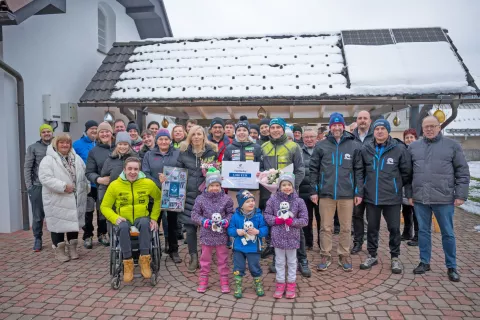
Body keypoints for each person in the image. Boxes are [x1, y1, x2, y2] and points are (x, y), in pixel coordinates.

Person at [407, 116, 469, 282]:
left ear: (439, 127)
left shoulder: (452, 146)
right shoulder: (413, 147)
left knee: (447, 233)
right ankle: (424, 261)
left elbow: (462, 172)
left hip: (444, 198)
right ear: (422, 128)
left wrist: (461, 194)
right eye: (426, 126)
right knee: (424, 232)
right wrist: (409, 194)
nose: (429, 129)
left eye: (432, 126)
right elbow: (407, 174)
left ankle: (451, 266)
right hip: (420, 198)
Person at [310, 113, 363, 272]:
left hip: (347, 195)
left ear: (344, 126)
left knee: (346, 227)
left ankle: (343, 254)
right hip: (326, 194)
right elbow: (313, 170)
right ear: (330, 127)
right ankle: (325, 254)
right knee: (326, 227)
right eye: (334, 125)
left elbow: (359, 171)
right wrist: (314, 190)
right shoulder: (321, 145)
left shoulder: (354, 146)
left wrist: (358, 192)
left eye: (340, 125)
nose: (337, 127)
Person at [359, 119, 411, 274]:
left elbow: (406, 172)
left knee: (394, 228)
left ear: (388, 131)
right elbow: (361, 172)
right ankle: (372, 255)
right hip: (372, 197)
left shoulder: (399, 149)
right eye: (377, 129)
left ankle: (395, 257)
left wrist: (396, 186)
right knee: (373, 228)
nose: (379, 131)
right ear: (373, 131)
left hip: (392, 198)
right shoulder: (366, 149)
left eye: (383, 128)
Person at [259, 118, 310, 277]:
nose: (275, 130)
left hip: (290, 193)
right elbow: (261, 170)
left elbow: (300, 169)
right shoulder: (264, 147)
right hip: (272, 194)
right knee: (275, 226)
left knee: (296, 227)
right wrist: (263, 179)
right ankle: (276, 257)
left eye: (278, 127)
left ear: (283, 129)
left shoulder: (293, 146)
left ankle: (302, 259)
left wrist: (293, 187)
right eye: (272, 127)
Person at [100, 157, 161, 283]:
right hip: (124, 218)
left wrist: (154, 218)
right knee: (122, 226)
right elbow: (104, 206)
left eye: (136, 169)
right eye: (130, 169)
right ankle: (127, 264)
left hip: (141, 217)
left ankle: (144, 260)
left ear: (139, 170)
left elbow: (158, 199)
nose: (133, 172)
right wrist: (115, 217)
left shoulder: (148, 183)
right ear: (124, 170)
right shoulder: (115, 185)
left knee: (145, 223)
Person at [38, 133, 89, 262]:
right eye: (62, 142)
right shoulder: (48, 160)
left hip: (75, 197)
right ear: (56, 144)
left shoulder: (76, 158)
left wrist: (86, 186)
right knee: (58, 224)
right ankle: (59, 251)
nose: (65, 145)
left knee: (73, 223)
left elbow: (84, 174)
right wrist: (63, 186)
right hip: (57, 198)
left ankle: (72, 249)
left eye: (67, 143)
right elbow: (45, 178)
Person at [177, 125, 218, 272]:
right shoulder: (183, 153)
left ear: (203, 136)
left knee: (207, 228)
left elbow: (216, 172)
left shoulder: (211, 152)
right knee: (190, 228)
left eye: (199, 134)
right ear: (190, 137)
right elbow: (178, 172)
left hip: (206, 196)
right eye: (193, 134)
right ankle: (193, 257)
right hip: (188, 196)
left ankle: (205, 255)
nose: (196, 137)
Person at [264, 173, 308, 299]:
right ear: (279, 186)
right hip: (278, 236)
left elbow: (305, 220)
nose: (287, 187)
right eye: (284, 185)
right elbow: (266, 215)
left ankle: (291, 284)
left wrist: (292, 222)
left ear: (293, 186)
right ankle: (280, 283)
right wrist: (276, 220)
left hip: (292, 237)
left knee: (292, 261)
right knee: (279, 261)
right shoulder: (273, 200)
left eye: (289, 185)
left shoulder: (299, 201)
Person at [142, 129, 182, 263]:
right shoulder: (149, 154)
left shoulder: (177, 153)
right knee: (154, 222)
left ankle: (174, 250)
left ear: (170, 140)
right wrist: (157, 182)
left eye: (166, 139)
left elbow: (181, 170)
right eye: (161, 139)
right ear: (156, 140)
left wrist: (170, 180)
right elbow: (145, 173)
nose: (164, 142)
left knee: (172, 223)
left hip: (172, 194)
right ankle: (153, 249)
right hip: (155, 194)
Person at [191, 169, 233, 293]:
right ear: (207, 186)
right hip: (206, 234)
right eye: (212, 185)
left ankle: (224, 280)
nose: (214, 188)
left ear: (221, 186)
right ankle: (203, 279)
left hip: (221, 235)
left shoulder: (226, 199)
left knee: (223, 259)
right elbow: (194, 214)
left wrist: (226, 221)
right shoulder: (200, 199)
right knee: (205, 259)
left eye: (217, 185)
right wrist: (203, 221)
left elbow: (231, 213)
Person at [227, 190, 268, 298]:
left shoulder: (259, 216)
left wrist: (258, 232)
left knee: (254, 267)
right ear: (241, 205)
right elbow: (230, 230)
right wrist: (236, 232)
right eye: (247, 202)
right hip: (239, 248)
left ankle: (258, 284)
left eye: (252, 201)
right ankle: (238, 286)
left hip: (253, 248)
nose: (251, 203)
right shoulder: (235, 216)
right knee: (238, 267)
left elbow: (265, 229)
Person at [84, 121, 114, 249]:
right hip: (100, 186)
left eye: (107, 131)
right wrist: (99, 179)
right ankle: (89, 235)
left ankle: (105, 234)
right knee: (97, 211)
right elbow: (89, 172)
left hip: (118, 187)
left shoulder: (119, 147)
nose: (104, 134)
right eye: (102, 132)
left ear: (111, 133)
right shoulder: (94, 152)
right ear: (98, 134)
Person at [25, 124, 53, 251]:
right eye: (44, 132)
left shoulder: (56, 146)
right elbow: (28, 168)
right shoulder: (33, 148)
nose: (46, 133)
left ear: (52, 133)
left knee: (54, 213)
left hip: (54, 186)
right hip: (38, 186)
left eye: (49, 131)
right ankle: (37, 238)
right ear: (40, 134)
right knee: (38, 215)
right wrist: (29, 186)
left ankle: (56, 239)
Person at [223, 119, 263, 206]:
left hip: (252, 190)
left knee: (252, 215)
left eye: (244, 130)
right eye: (239, 130)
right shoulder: (229, 148)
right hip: (234, 190)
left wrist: (260, 173)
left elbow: (262, 166)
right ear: (235, 132)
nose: (241, 132)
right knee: (234, 214)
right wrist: (224, 176)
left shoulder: (256, 147)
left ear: (248, 132)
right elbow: (224, 167)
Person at [351, 110, 374, 254]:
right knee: (357, 214)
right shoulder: (350, 137)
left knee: (372, 217)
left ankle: (372, 244)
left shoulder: (376, 136)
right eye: (360, 118)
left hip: (372, 182)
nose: (362, 120)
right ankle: (357, 242)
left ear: (370, 121)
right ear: (356, 121)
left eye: (365, 118)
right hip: (355, 181)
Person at [73, 120, 98, 249]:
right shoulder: (77, 144)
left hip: (100, 184)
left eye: (96, 128)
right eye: (91, 128)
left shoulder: (101, 143)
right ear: (86, 130)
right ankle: (87, 236)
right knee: (88, 212)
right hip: (86, 184)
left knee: (102, 211)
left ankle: (103, 234)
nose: (94, 131)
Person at [298, 129, 320, 250]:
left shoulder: (321, 150)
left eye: (312, 136)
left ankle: (322, 243)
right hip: (303, 190)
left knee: (321, 218)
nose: (309, 139)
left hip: (319, 191)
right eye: (306, 137)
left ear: (316, 137)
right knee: (306, 219)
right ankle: (308, 242)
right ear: (303, 138)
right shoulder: (299, 151)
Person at [401, 128, 419, 246]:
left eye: (411, 137)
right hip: (404, 185)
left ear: (415, 138)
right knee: (406, 210)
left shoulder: (418, 151)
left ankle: (418, 236)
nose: (409, 139)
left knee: (416, 212)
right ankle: (407, 232)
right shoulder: (403, 151)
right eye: (407, 137)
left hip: (415, 185)